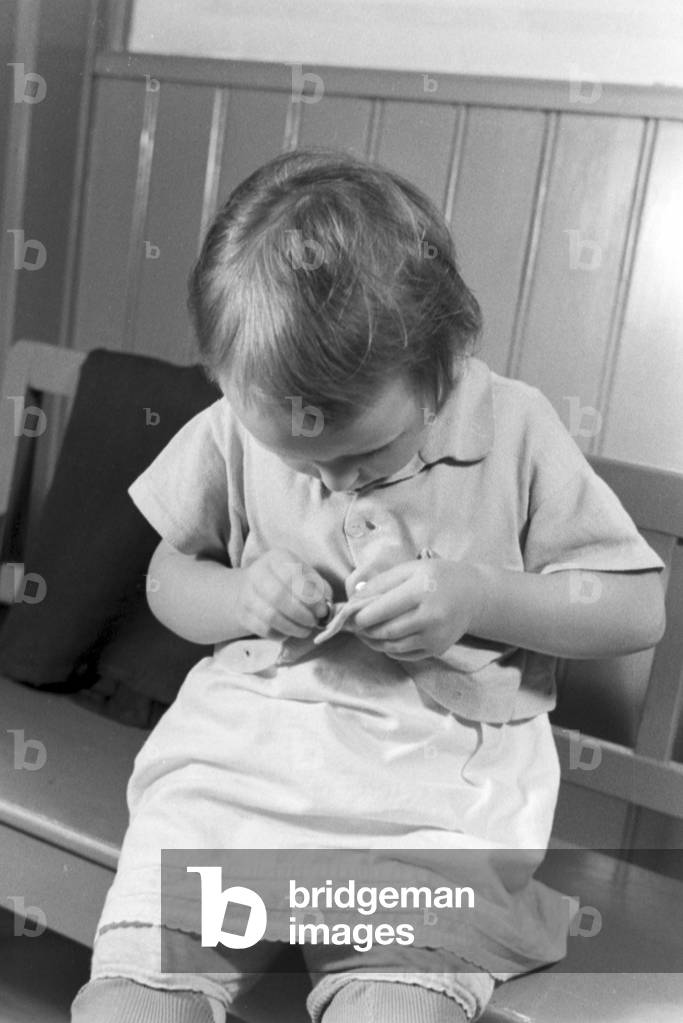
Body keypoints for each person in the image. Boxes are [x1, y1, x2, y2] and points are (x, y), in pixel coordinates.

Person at [71, 149, 665, 1023]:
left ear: (436, 362)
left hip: (431, 808)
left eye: (358, 452)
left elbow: (634, 605)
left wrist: (478, 596)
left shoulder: (517, 430)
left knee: (391, 1008)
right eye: (294, 456)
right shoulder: (233, 427)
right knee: (128, 1006)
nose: (334, 482)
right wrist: (238, 596)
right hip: (238, 783)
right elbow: (166, 577)